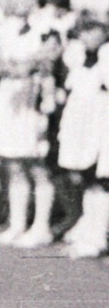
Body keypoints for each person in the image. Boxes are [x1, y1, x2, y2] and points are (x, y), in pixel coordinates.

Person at [0, 0, 63, 248]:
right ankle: (18, 223)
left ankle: (41, 226)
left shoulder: (49, 25)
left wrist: (22, 67)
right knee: (13, 163)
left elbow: (48, 59)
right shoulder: (5, 26)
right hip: (9, 98)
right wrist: (6, 68)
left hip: (36, 99)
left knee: (37, 165)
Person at [59, 15, 109, 256]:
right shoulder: (81, 58)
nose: (87, 36)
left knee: (102, 182)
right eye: (83, 31)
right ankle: (91, 230)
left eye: (93, 30)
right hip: (85, 128)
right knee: (90, 181)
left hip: (103, 126)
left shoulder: (107, 55)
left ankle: (98, 236)